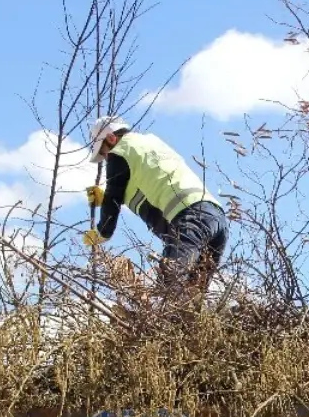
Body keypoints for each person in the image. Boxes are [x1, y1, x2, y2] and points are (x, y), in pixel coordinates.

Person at [82, 115, 227, 296]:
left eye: (103, 153)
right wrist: (104, 199)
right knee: (191, 299)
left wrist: (103, 232)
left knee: (169, 291)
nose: (105, 159)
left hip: (190, 219)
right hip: (215, 218)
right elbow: (148, 185)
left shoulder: (119, 152)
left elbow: (114, 196)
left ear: (111, 138)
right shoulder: (150, 143)